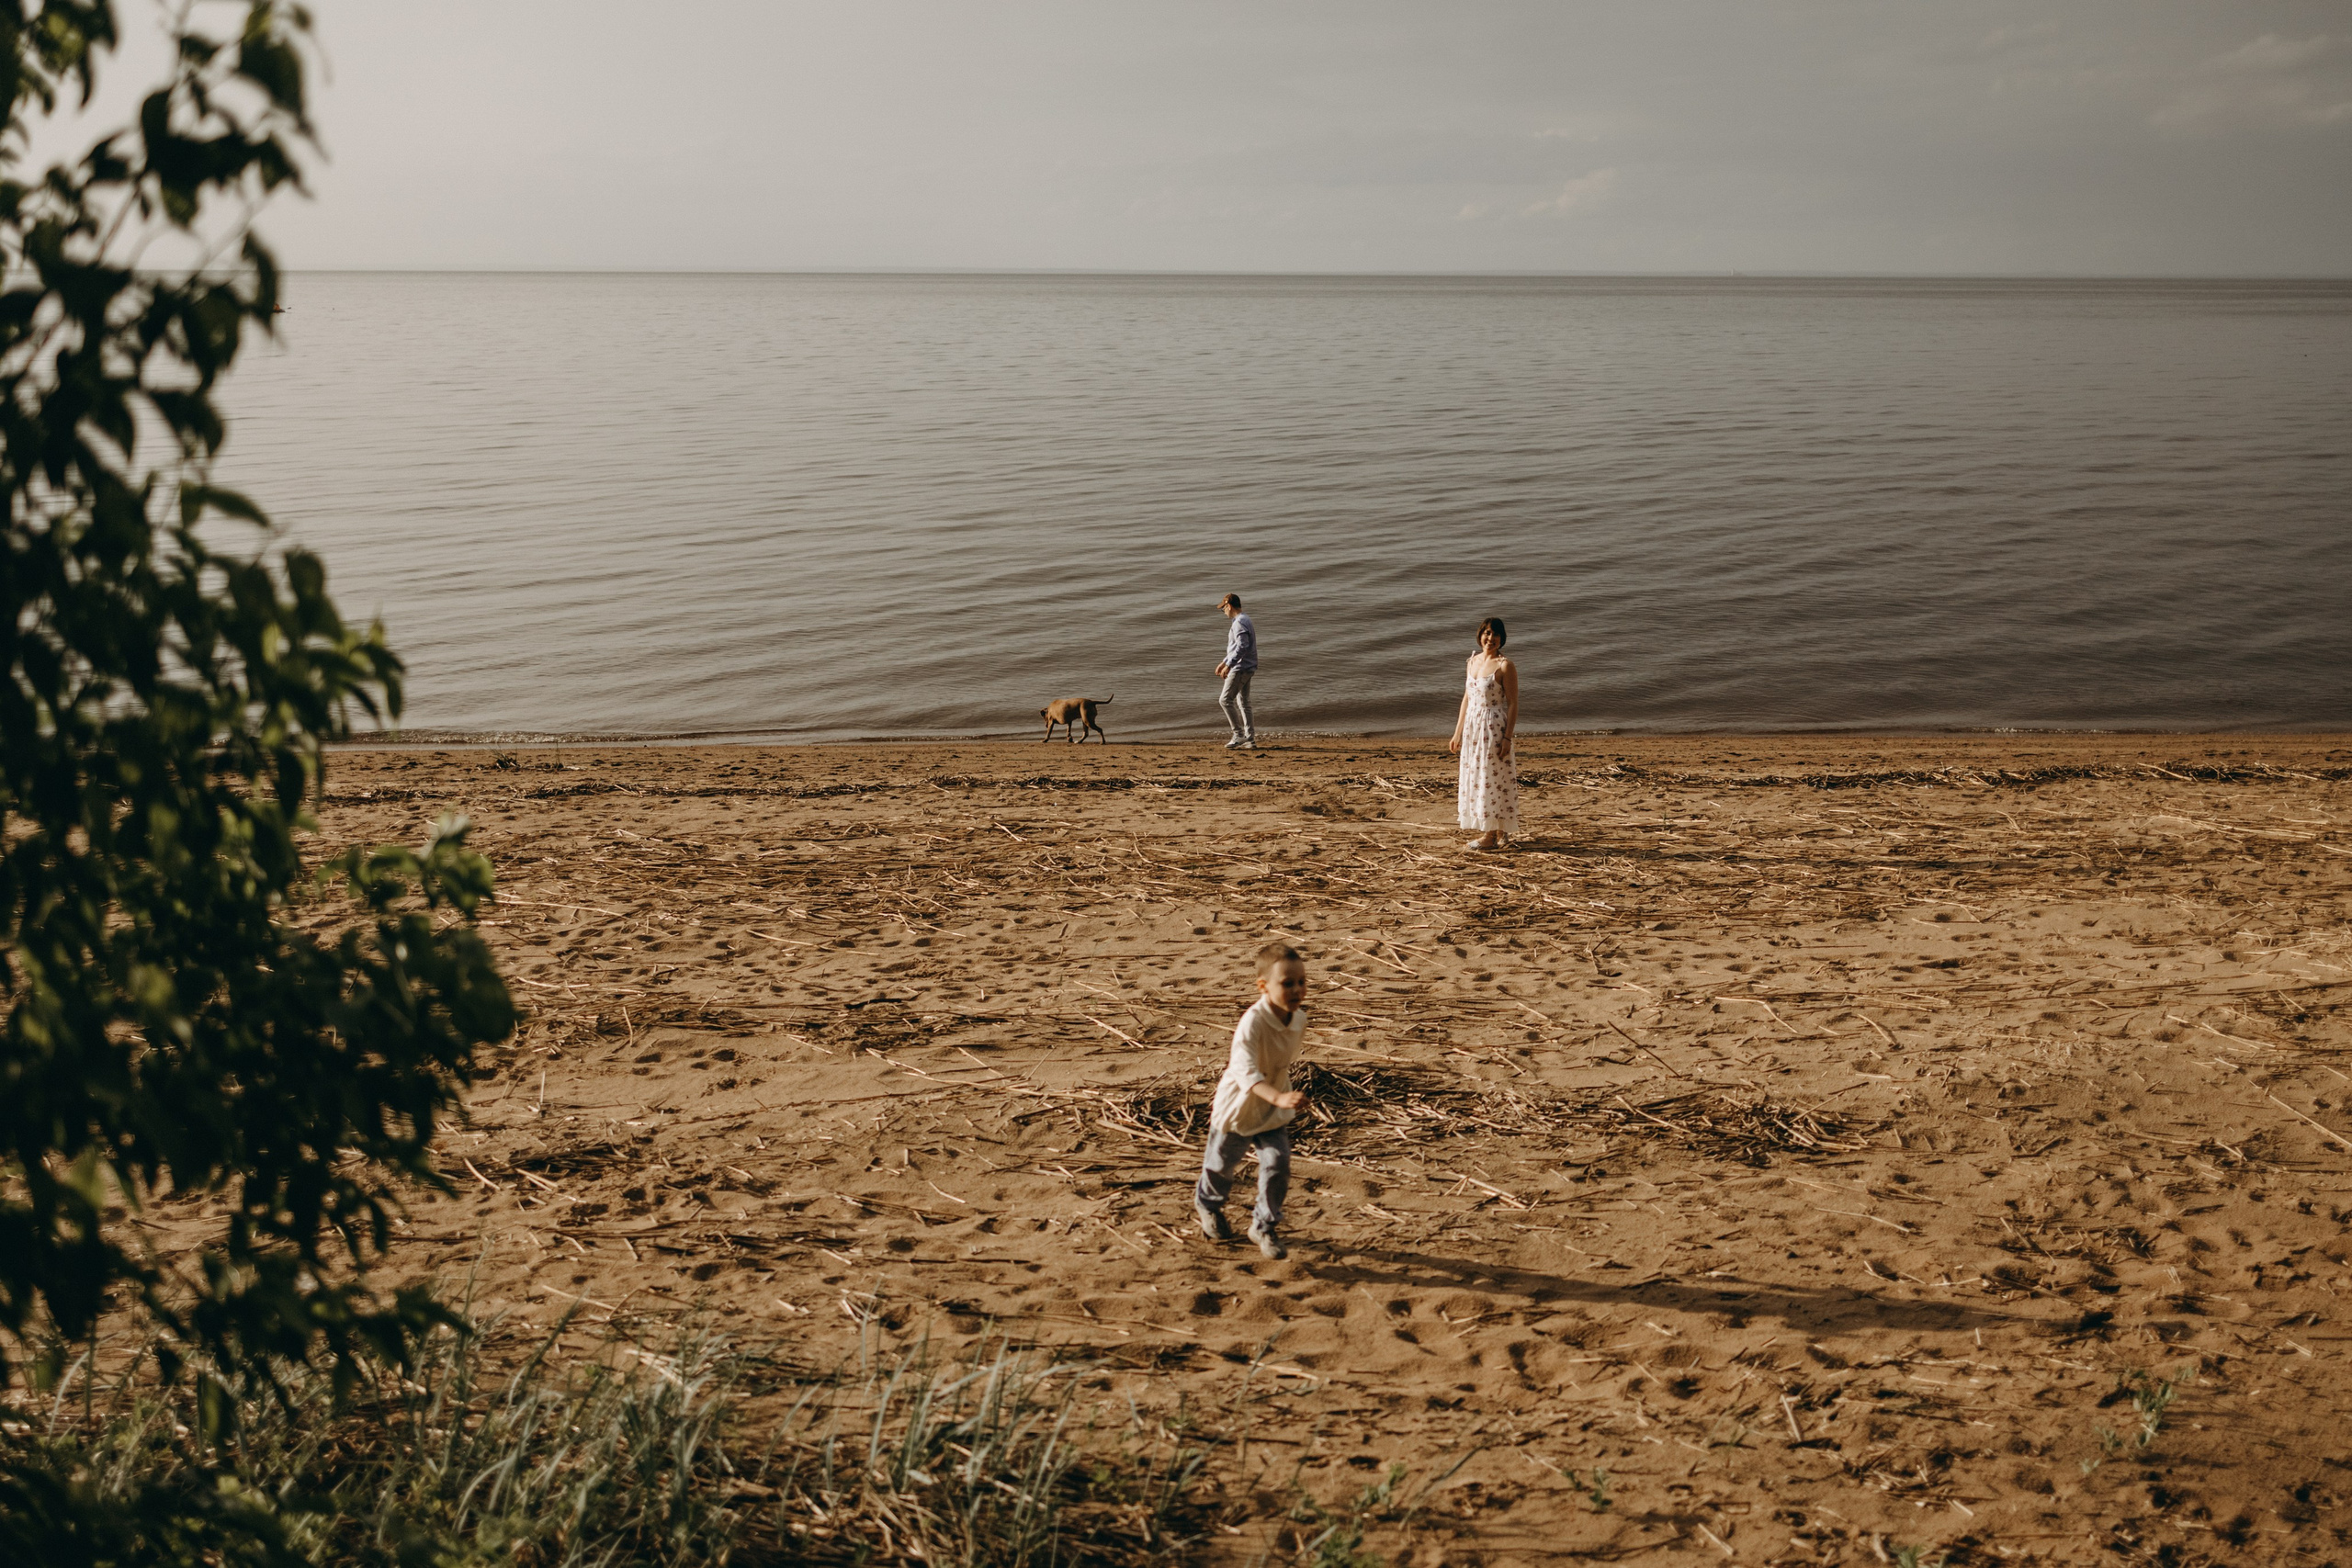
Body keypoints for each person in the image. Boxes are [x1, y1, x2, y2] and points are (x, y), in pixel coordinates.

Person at [1194, 942, 1310, 1259]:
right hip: (1240, 1106)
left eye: (1302, 982)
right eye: (1287, 983)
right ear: (1263, 986)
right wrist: (1279, 1097)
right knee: (1221, 1166)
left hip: (1273, 1108)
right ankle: (1208, 1206)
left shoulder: (1298, 1019)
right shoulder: (1253, 1022)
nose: (1297, 990)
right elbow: (1244, 1070)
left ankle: (1264, 1225)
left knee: (1278, 1163)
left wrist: (1281, 1097)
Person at [1447, 615, 1519, 851]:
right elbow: (1467, 698)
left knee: (1494, 778)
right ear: (1480, 635)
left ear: (1502, 638)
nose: (1491, 638)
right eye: (1487, 633)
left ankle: (1492, 834)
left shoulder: (1505, 665)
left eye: (1496, 634)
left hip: (1493, 727)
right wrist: (1457, 732)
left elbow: (1513, 703)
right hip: (1473, 727)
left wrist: (1507, 737)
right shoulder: (1472, 662)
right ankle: (1498, 831)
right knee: (1478, 778)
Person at [1215, 592, 1257, 750]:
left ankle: (1238, 734)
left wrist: (1229, 665)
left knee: (1225, 700)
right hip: (1247, 666)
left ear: (1229, 606)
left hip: (1240, 668)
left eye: (1223, 608)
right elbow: (1237, 647)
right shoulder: (1245, 619)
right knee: (1244, 702)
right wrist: (1224, 662)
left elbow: (1242, 647)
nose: (1224, 611)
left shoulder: (1239, 622)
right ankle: (1250, 739)